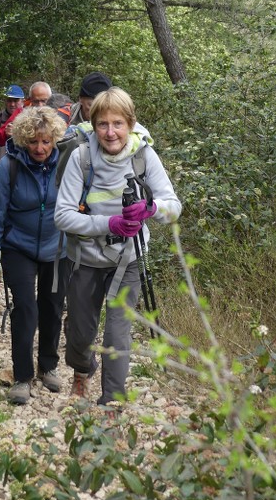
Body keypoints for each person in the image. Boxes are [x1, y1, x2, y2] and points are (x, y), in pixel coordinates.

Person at [54, 87, 182, 406]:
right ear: (93, 124)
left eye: (118, 124)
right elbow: (62, 216)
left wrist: (151, 208)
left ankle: (113, 401)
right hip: (85, 260)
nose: (110, 132)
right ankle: (82, 370)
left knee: (117, 335)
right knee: (81, 337)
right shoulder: (82, 157)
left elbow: (173, 205)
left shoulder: (143, 155)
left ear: (130, 123)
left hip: (129, 260)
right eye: (102, 124)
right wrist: (108, 224)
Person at [0, 106, 68, 405]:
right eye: (33, 142)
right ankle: (21, 376)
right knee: (26, 309)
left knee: (53, 307)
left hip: (57, 247)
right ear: (23, 140)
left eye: (46, 142)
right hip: (17, 246)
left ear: (55, 139)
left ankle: (48, 365)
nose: (40, 148)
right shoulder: (10, 167)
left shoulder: (67, 165)